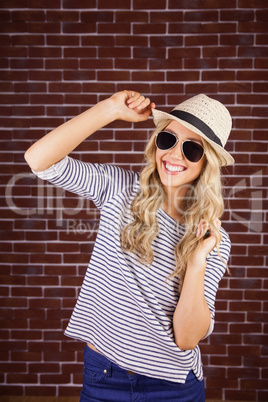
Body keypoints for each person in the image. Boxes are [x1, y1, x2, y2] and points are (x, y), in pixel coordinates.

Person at [24, 90, 234, 402]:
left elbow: (188, 337)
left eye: (192, 149)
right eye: (168, 140)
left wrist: (198, 259)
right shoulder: (119, 189)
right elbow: (39, 160)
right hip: (103, 376)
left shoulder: (212, 238)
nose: (174, 155)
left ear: (208, 164)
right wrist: (108, 110)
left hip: (173, 387)